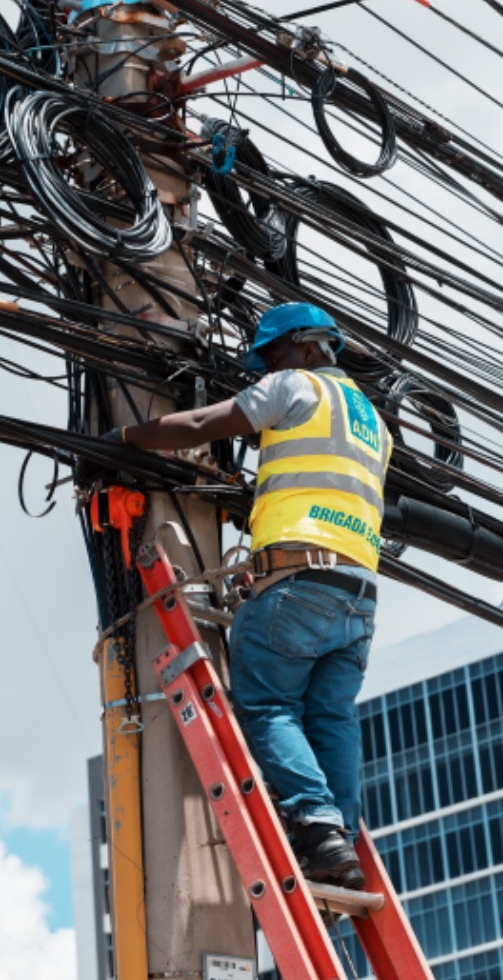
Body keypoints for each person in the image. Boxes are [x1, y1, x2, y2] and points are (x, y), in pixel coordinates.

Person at [105, 302, 391, 889]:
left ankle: (318, 823)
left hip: (298, 581)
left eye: (274, 355)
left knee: (268, 708)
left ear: (310, 349)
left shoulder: (296, 386)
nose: (265, 370)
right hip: (358, 592)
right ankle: (338, 841)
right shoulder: (373, 422)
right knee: (331, 717)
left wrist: (125, 438)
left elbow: (199, 426)